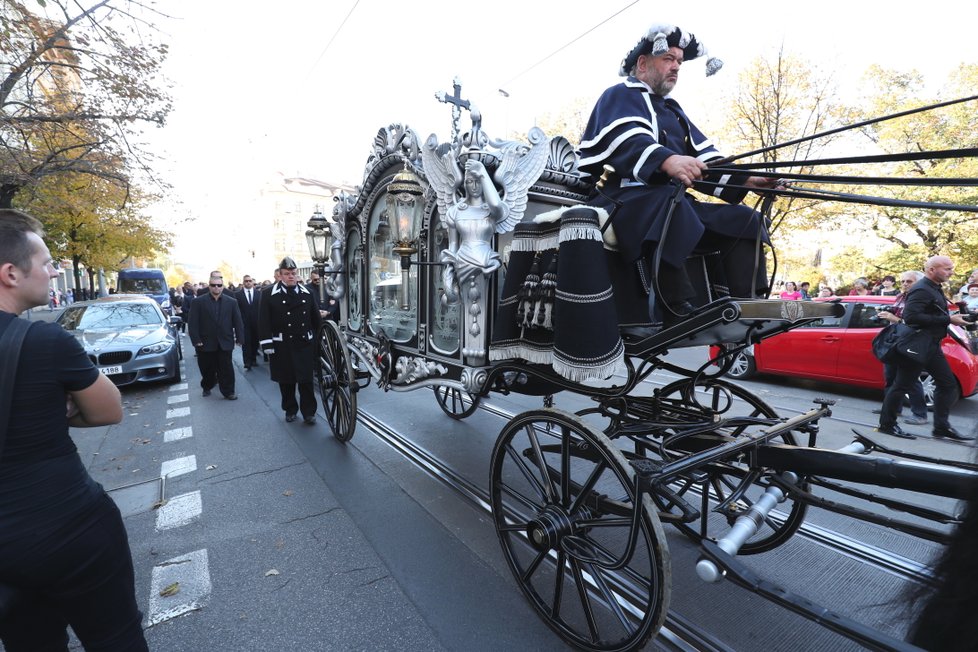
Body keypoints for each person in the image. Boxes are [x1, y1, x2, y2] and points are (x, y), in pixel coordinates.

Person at [0, 209, 148, 651]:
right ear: (10, 273)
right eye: (45, 262)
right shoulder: (44, 341)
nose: (54, 270)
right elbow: (108, 410)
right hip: (69, 529)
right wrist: (56, 408)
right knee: (115, 638)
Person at [577, 23, 778, 328]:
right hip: (623, 201)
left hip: (670, 202)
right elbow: (625, 139)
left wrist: (748, 180)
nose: (676, 68)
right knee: (669, 203)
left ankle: (746, 303)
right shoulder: (619, 94)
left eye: (680, 62)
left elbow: (706, 159)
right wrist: (666, 160)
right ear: (643, 63)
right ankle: (675, 305)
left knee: (744, 219)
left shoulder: (673, 109)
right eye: (668, 59)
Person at [877, 256, 974, 440]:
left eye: (951, 268)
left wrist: (955, 316)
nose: (951, 272)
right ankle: (887, 424)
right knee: (901, 385)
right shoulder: (921, 289)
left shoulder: (933, 288)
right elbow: (912, 317)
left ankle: (941, 427)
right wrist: (948, 319)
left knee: (947, 384)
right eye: (947, 268)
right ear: (931, 270)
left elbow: (933, 313)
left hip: (930, 345)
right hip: (917, 345)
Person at [258, 257, 321, 424]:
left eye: (293, 273)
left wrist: (320, 341)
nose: (291, 276)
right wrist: (267, 344)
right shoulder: (268, 294)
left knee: (306, 380)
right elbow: (263, 321)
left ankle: (309, 412)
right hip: (282, 344)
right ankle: (290, 409)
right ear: (280, 275)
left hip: (304, 343)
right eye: (287, 274)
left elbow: (316, 321)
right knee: (286, 380)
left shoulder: (308, 293)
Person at [875, 271, 929, 429]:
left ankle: (920, 414)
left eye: (909, 281)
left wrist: (896, 319)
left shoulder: (922, 300)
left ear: (918, 283)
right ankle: (891, 408)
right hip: (894, 341)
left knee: (910, 381)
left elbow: (919, 323)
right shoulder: (900, 296)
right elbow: (896, 313)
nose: (905, 284)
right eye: (903, 281)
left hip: (910, 343)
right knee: (890, 377)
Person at [188, 271, 244, 400]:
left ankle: (229, 391)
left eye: (219, 285)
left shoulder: (231, 302)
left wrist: (240, 338)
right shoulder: (198, 302)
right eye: (213, 285)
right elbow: (193, 323)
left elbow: (238, 321)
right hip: (205, 342)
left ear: (223, 286)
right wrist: (196, 340)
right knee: (207, 369)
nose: (216, 288)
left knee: (226, 368)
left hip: (225, 341)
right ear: (209, 286)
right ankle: (207, 386)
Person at [235, 274, 262, 370]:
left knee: (255, 342)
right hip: (244, 324)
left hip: (256, 323)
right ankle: (247, 362)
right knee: (246, 344)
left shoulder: (259, 294)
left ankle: (253, 359)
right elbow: (236, 310)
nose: (248, 282)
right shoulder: (238, 295)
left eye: (250, 281)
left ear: (253, 282)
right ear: (243, 283)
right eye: (246, 281)